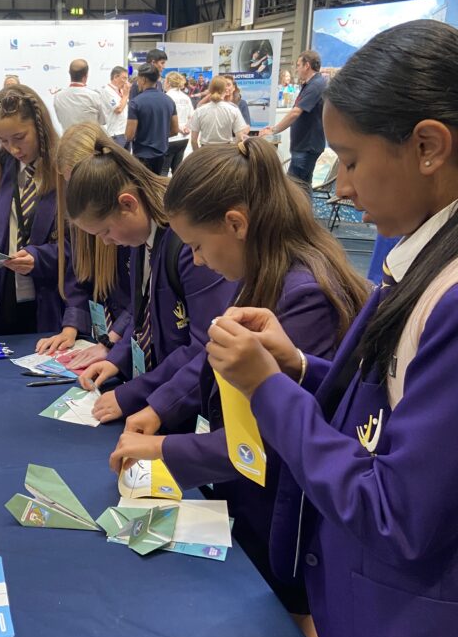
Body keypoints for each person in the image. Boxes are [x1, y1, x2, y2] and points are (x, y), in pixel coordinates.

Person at [207, 19, 458, 637]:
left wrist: (269, 391)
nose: (340, 186)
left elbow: (397, 509)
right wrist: (304, 370)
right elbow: (387, 418)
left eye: (350, 160)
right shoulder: (416, 256)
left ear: (428, 146)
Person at [108, 138, 367, 606]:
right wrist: (161, 408)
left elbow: (271, 440)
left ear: (235, 224)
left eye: (199, 247)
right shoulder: (261, 274)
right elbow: (212, 354)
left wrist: (163, 447)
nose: (200, 261)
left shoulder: (302, 295)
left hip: (285, 518)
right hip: (251, 501)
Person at [67, 142, 236, 430]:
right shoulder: (140, 238)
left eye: (106, 231)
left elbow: (205, 347)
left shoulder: (188, 245)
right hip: (166, 385)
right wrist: (117, 360)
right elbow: (142, 311)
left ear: (128, 204)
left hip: (192, 403)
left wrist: (139, 395)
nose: (106, 242)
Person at [0, 84, 63, 335]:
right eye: (2, 140)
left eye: (19, 138)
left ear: (40, 128)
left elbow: (83, 245)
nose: (13, 148)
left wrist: (41, 257)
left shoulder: (65, 171)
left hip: (48, 298)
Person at [36, 123, 132, 365]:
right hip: (107, 338)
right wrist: (71, 325)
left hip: (126, 338)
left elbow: (140, 301)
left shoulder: (129, 230)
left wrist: (112, 339)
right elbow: (78, 275)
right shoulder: (81, 221)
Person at [261, 50, 327, 195]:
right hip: (304, 144)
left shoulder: (316, 85)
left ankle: (297, 217)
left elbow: (296, 112)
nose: (296, 69)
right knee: (303, 187)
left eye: (298, 65)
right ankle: (305, 216)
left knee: (294, 189)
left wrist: (274, 130)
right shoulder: (311, 84)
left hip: (307, 145)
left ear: (307, 66)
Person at [125, 63, 178, 174]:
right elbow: (175, 130)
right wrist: (159, 135)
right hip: (161, 153)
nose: (137, 82)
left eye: (138, 79)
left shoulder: (136, 103)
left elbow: (129, 135)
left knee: (142, 187)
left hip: (142, 155)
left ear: (143, 79)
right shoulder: (169, 101)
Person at [189, 75, 248, 149]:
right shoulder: (233, 110)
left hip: (205, 151)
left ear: (210, 90)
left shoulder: (199, 111)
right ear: (225, 90)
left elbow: (193, 140)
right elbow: (239, 138)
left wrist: (197, 154)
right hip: (225, 151)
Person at [53, 59, 106, 130]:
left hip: (67, 139)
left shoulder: (58, 96)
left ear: (69, 73)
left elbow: (60, 119)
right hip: (89, 140)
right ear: (86, 76)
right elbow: (102, 121)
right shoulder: (94, 96)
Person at [163, 71, 193, 174]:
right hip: (183, 138)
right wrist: (186, 128)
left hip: (170, 137)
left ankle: (163, 190)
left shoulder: (166, 97)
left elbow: (166, 118)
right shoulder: (186, 98)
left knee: (163, 170)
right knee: (177, 170)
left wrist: (178, 129)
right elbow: (191, 116)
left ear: (168, 82)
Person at [100, 65, 130, 145]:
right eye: (124, 78)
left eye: (127, 79)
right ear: (116, 77)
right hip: (116, 134)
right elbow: (118, 109)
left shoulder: (121, 91)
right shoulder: (107, 90)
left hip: (125, 132)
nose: (126, 82)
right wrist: (126, 95)